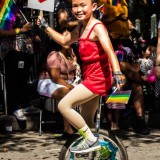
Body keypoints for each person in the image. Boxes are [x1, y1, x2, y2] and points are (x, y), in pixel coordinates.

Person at [37, 0, 125, 153]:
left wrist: (117, 73)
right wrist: (45, 27)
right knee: (87, 121)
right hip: (90, 77)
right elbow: (65, 40)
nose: (78, 9)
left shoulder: (97, 27)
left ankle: (90, 140)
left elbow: (110, 50)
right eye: (75, 6)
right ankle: (102, 153)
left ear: (94, 7)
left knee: (64, 106)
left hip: (98, 78)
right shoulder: (81, 26)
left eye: (83, 5)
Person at [37, 30, 81, 137]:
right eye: (64, 36)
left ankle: (84, 124)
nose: (67, 39)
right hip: (48, 82)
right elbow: (55, 77)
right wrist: (71, 87)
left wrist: (75, 60)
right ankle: (68, 129)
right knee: (66, 92)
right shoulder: (54, 55)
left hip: (66, 82)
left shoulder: (70, 52)